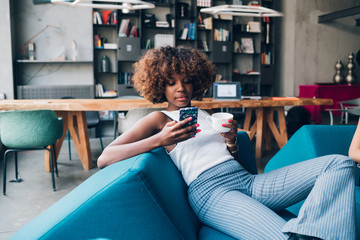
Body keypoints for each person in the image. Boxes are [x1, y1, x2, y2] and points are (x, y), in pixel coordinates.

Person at [97, 46, 356, 240]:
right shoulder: (158, 119)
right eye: (171, 82)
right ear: (159, 85)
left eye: (186, 80)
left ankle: (314, 232)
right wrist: (160, 139)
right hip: (212, 193)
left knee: (340, 164)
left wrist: (232, 142)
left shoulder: (206, 114)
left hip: (247, 182)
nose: (181, 88)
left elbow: (230, 159)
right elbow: (105, 157)